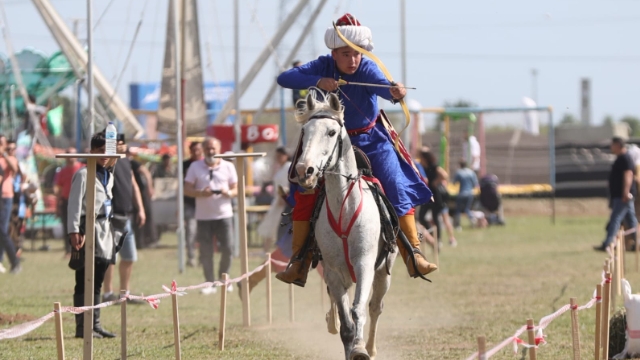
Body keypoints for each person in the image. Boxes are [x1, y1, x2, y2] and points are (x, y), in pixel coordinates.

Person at [275, 13, 437, 286]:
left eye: (357, 54)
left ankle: (414, 253)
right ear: (333, 53)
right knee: (305, 188)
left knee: (396, 185)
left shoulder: (367, 68)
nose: (352, 60)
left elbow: (385, 87)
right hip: (331, 143)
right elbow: (284, 78)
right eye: (345, 54)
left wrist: (394, 91)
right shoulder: (323, 65)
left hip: (371, 140)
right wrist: (317, 81)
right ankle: (299, 261)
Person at [67, 131, 117, 338]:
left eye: (107, 151)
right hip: (87, 230)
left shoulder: (108, 174)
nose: (103, 155)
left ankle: (95, 324)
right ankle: (82, 327)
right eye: (99, 150)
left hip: (104, 230)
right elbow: (74, 204)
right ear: (91, 152)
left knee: (97, 279)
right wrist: (74, 230)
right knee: (84, 277)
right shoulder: (83, 174)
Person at [184, 137, 237, 295]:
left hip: (224, 215)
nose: (211, 151)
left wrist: (227, 192)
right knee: (206, 252)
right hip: (203, 217)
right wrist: (201, 193)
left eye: (213, 148)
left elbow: (237, 189)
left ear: (219, 149)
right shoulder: (195, 166)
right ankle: (209, 283)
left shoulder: (228, 166)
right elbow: (187, 189)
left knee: (228, 248)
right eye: (207, 148)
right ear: (203, 150)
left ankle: (224, 280)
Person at [102, 136, 147, 304]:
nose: (120, 147)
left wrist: (140, 209)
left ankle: (124, 293)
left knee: (129, 256)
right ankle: (107, 293)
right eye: (117, 144)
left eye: (122, 144)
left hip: (126, 216)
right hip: (110, 216)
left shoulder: (127, 162)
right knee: (110, 257)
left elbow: (134, 185)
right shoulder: (106, 162)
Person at [594, 137, 638, 253]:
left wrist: (626, 192)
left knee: (615, 218)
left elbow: (628, 175)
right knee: (631, 220)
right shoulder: (621, 158)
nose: (610, 147)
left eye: (612, 145)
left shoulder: (625, 158)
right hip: (621, 195)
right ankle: (638, 242)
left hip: (622, 196)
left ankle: (607, 243)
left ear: (618, 145)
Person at [419, 151, 457, 247]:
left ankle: (438, 240)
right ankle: (432, 235)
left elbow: (445, 175)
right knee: (421, 217)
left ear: (425, 158)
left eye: (421, 157)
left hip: (437, 196)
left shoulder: (433, 166)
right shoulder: (422, 168)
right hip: (427, 196)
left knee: (436, 217)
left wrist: (436, 181)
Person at [55, 147, 85, 256]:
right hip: (66, 201)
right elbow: (58, 189)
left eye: (72, 153)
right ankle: (68, 250)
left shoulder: (83, 168)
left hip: (81, 201)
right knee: (67, 227)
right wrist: (57, 206)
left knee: (81, 225)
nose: (70, 156)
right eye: (68, 153)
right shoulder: (62, 171)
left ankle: (81, 248)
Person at [0, 136, 20, 274]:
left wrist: (5, 153)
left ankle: (15, 261)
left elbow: (14, 169)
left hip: (6, 197)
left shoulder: (10, 158)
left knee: (2, 230)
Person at [129, 150, 157, 248]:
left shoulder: (132, 163)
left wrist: (150, 187)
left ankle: (148, 240)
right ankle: (139, 242)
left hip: (141, 193)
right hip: (132, 194)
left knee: (145, 216)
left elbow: (146, 173)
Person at [183, 141, 203, 267]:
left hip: (204, 204)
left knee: (203, 234)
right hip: (189, 204)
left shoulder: (205, 164)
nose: (196, 152)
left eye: (198, 150)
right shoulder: (185, 165)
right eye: (193, 150)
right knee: (191, 232)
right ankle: (191, 258)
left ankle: (203, 258)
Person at [453, 159, 479, 228]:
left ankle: (457, 225)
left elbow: (454, 183)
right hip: (470, 193)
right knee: (467, 209)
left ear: (459, 165)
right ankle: (473, 219)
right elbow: (475, 184)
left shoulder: (459, 172)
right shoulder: (471, 172)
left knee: (458, 209)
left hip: (462, 193)